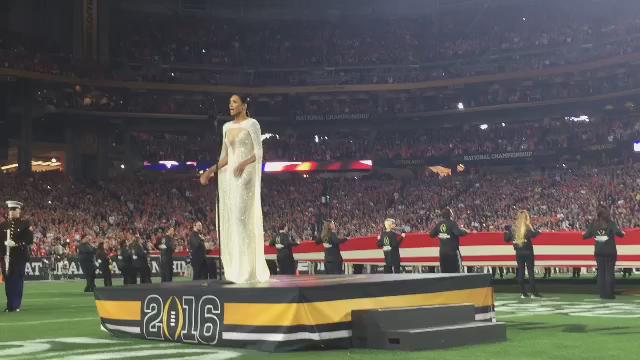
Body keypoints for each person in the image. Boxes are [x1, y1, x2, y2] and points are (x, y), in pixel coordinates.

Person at [199, 94, 270, 284]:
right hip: (230, 178)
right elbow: (225, 157)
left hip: (246, 175)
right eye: (229, 102)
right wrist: (209, 171)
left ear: (244, 105)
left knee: (241, 219)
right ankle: (236, 268)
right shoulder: (226, 127)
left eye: (235, 102)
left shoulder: (252, 124)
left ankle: (248, 270)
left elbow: (259, 151)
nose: (230, 105)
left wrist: (244, 163)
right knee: (233, 220)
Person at [583, 206, 625, 300]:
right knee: (609, 273)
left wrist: (584, 235)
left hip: (599, 250)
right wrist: (623, 234)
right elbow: (618, 233)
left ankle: (602, 294)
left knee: (601, 273)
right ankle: (609, 294)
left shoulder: (594, 223)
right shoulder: (610, 223)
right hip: (610, 251)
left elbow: (586, 235)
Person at [0, 201, 34, 312]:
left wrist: (15, 243)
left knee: (17, 280)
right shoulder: (3, 225)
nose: (12, 212)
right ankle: (10, 304)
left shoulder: (25, 224)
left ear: (19, 211)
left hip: (19, 256)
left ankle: (16, 305)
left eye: (14, 210)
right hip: (6, 257)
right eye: (10, 210)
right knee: (8, 280)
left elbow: (29, 240)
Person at [504, 211, 542, 298]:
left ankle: (523, 293)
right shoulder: (527, 226)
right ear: (526, 217)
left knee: (521, 272)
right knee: (530, 272)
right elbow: (532, 235)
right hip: (528, 251)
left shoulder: (514, 228)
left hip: (518, 252)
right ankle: (533, 293)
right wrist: (538, 232)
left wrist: (507, 232)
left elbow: (506, 239)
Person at [430, 208, 468, 273]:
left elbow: (431, 235)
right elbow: (458, 233)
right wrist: (465, 231)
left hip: (442, 253)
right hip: (452, 252)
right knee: (456, 272)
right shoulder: (452, 223)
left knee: (444, 273)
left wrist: (441, 234)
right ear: (450, 215)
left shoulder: (439, 224)